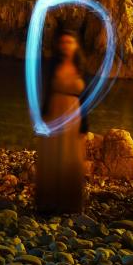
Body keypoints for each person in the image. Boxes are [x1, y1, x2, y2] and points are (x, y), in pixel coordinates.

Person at [36, 28, 88, 215]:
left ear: (76, 46)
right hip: (55, 113)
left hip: (73, 115)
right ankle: (48, 203)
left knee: (70, 158)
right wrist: (42, 118)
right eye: (63, 42)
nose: (66, 46)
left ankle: (70, 203)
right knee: (52, 157)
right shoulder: (53, 65)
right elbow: (46, 91)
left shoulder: (81, 67)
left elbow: (85, 98)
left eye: (70, 42)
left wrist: (85, 125)